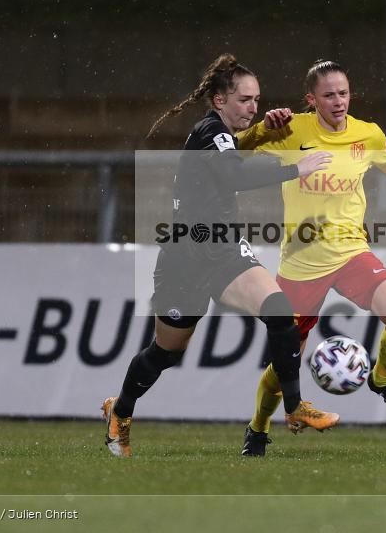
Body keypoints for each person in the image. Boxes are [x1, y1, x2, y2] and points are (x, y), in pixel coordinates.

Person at [101, 54, 339, 457]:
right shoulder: (208, 131)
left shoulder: (226, 135)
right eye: (245, 100)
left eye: (257, 100)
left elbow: (245, 152)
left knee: (281, 313)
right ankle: (120, 411)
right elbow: (234, 175)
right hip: (184, 258)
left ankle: (295, 407)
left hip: (226, 249)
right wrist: (296, 168)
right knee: (166, 353)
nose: (253, 107)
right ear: (219, 101)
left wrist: (272, 127)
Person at [236, 59, 386, 456]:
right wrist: (260, 128)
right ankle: (257, 428)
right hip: (302, 263)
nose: (339, 101)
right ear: (312, 100)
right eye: (329, 95)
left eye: (344, 92)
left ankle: (382, 379)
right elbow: (234, 150)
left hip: (352, 252)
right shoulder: (292, 130)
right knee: (284, 363)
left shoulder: (367, 134)